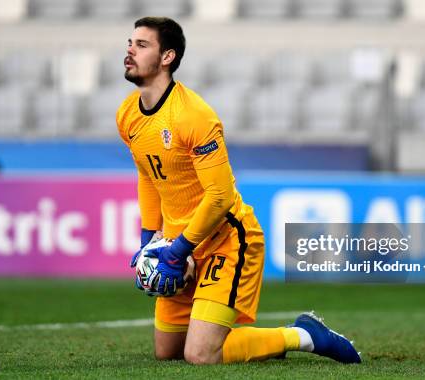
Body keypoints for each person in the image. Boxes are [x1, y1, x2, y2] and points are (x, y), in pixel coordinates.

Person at [117, 17, 361, 365]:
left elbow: (221, 197)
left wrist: (178, 250)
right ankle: (252, 345)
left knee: (201, 355)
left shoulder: (194, 116)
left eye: (142, 45)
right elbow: (148, 175)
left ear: (167, 56)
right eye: (130, 42)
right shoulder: (127, 114)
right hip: (178, 243)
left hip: (226, 239)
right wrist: (147, 238)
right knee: (167, 352)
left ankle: (305, 336)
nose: (130, 50)